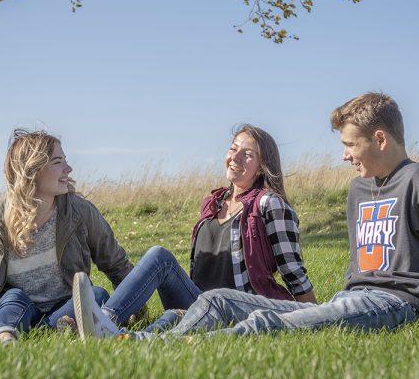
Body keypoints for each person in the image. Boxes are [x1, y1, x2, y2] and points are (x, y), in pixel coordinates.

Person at [74, 93, 419, 340]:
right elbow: (361, 267)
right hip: (352, 298)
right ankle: (135, 336)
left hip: (399, 304)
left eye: (350, 145)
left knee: (269, 324)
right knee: (215, 299)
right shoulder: (358, 190)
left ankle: (138, 343)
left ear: (379, 139)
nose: (344, 155)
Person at [72, 124, 315, 339]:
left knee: (171, 311)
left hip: (236, 308)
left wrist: (316, 316)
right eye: (233, 149)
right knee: (160, 258)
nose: (236, 157)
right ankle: (105, 318)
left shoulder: (269, 204)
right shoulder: (212, 203)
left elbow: (292, 271)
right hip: (197, 301)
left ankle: (116, 332)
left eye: (248, 154)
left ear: (262, 167)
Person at [0, 129, 134, 342]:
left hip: (65, 307)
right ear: (32, 170)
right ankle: (4, 337)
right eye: (58, 162)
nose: (69, 168)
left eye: (65, 160)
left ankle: (58, 329)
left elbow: (115, 263)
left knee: (97, 294)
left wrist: (134, 306)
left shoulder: (79, 212)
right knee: (12, 297)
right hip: (19, 310)